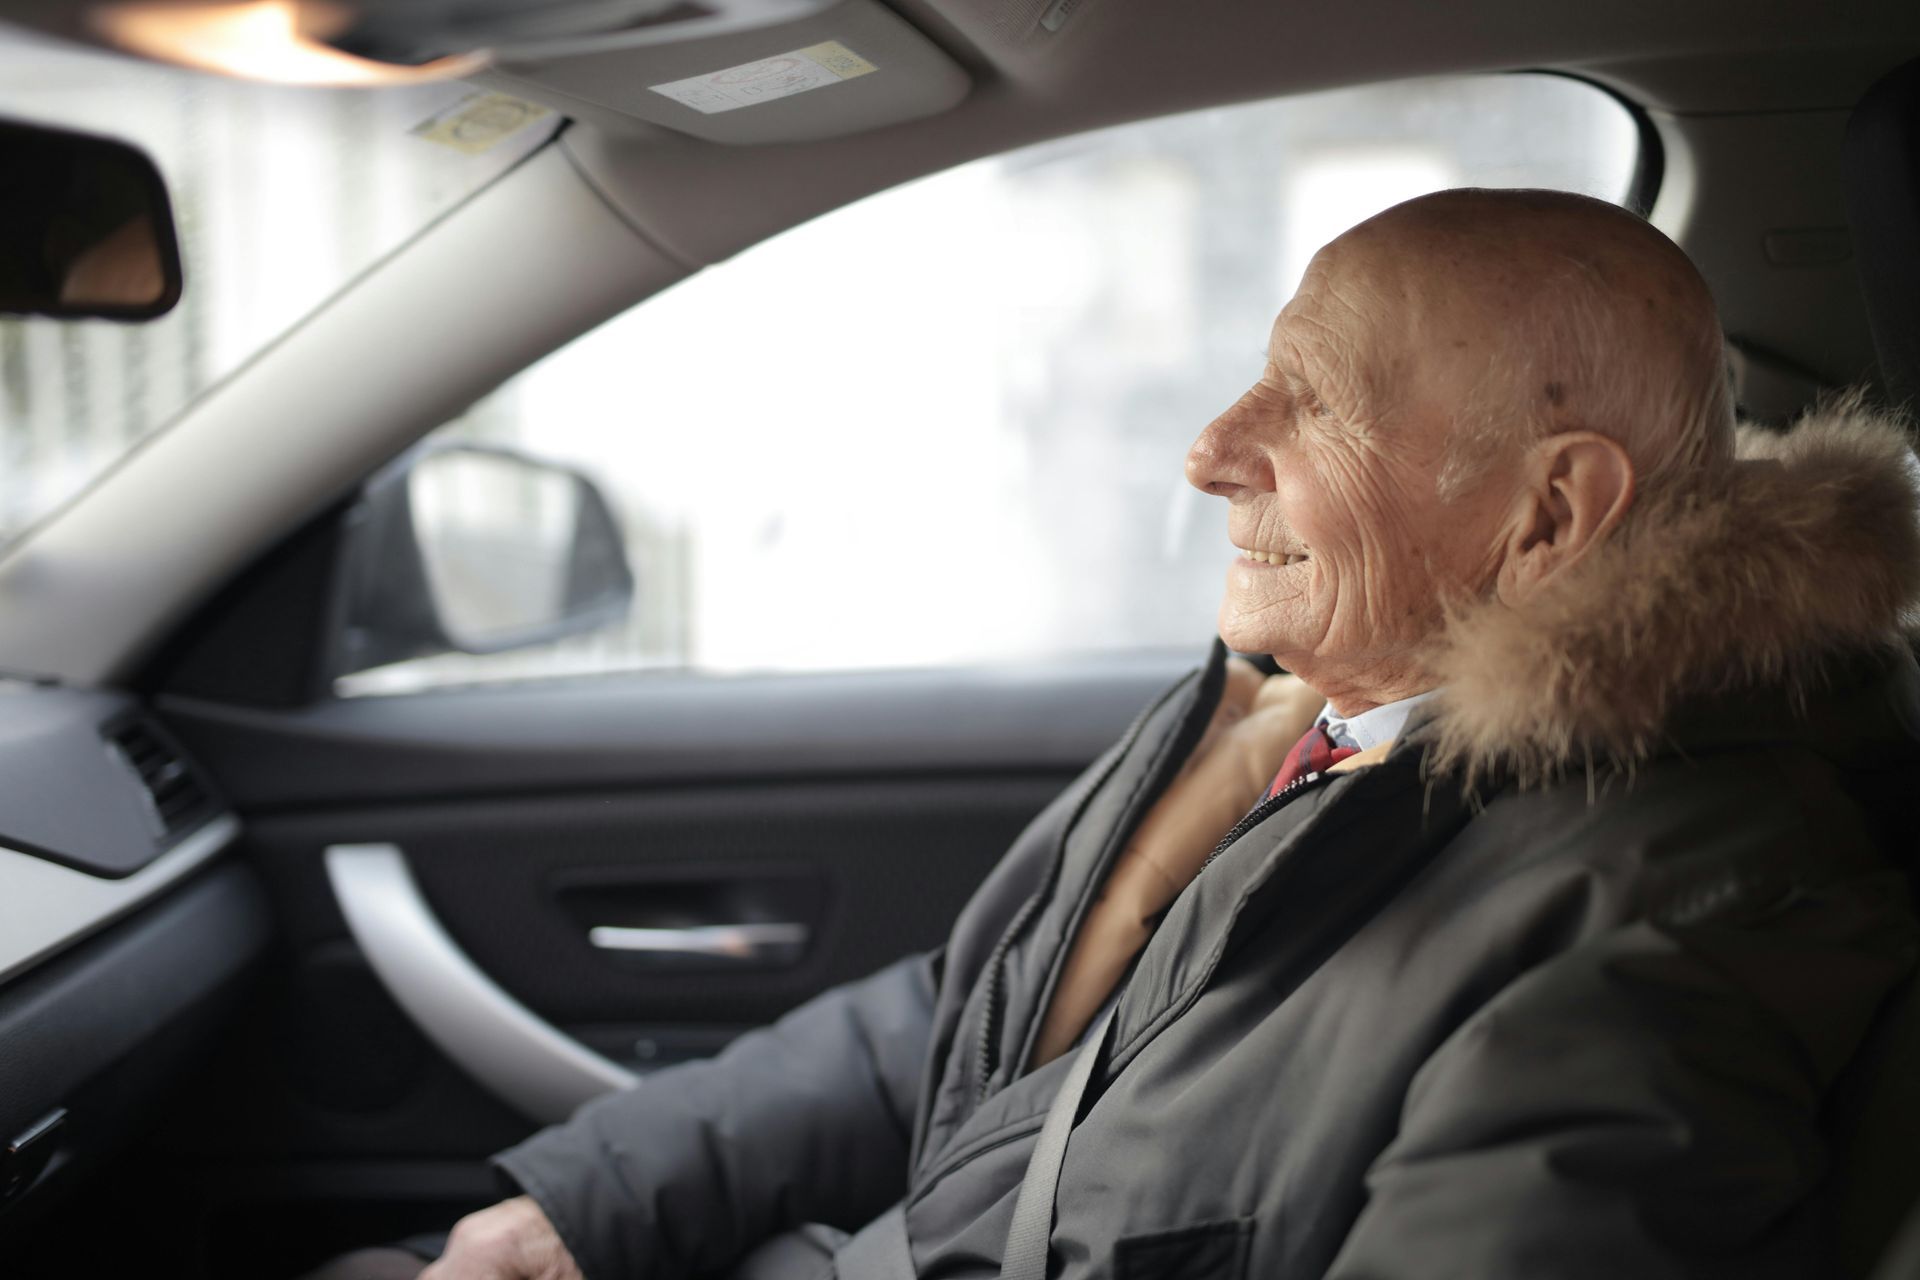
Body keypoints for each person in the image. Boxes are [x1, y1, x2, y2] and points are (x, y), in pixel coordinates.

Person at [334, 188, 1920, 1279]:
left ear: (1551, 511)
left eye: (1317, 398)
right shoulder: (1312, 710)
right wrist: (579, 1211)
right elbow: (981, 1022)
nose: (1213, 447)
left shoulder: (1690, 909)